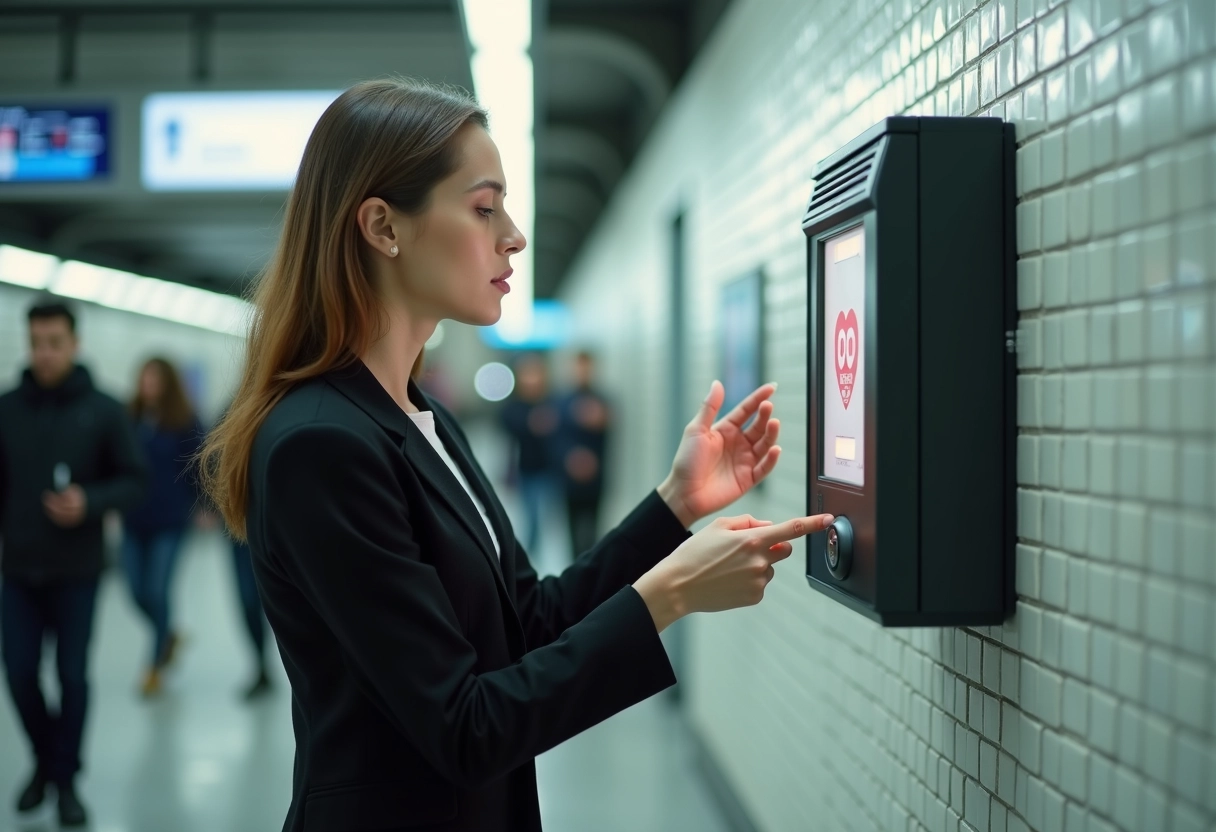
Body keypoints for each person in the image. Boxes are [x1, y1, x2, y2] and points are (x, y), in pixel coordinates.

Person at [199, 78, 830, 832]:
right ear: (382, 226)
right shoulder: (320, 445)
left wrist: (673, 508)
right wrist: (668, 596)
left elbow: (525, 623)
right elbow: (464, 726)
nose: (515, 236)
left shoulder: (419, 418)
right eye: (482, 207)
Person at [0, 299, 147, 827]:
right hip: (16, 569)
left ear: (74, 344)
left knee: (72, 676)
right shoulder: (8, 408)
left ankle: (64, 781)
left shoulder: (105, 410)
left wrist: (91, 502)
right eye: (36, 342)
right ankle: (45, 762)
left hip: (77, 570)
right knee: (18, 674)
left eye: (54, 343)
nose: (43, 353)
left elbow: (134, 479)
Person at [122, 357, 205, 697]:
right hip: (133, 519)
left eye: (155, 379)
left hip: (170, 521)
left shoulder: (184, 420)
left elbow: (198, 466)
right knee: (137, 592)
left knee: (157, 591)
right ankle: (167, 633)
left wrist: (206, 505)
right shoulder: (129, 418)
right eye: (144, 378)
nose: (148, 385)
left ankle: (154, 666)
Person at [497, 353, 559, 555]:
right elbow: (507, 424)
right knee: (531, 516)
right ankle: (531, 555)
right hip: (527, 469)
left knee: (552, 517)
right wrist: (531, 423)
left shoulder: (552, 401)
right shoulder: (515, 405)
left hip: (552, 468)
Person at [555, 350, 611, 560]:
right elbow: (555, 438)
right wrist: (570, 458)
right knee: (571, 528)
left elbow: (609, 438)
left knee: (593, 528)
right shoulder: (561, 401)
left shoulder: (603, 401)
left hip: (596, 478)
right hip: (569, 479)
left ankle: (591, 569)